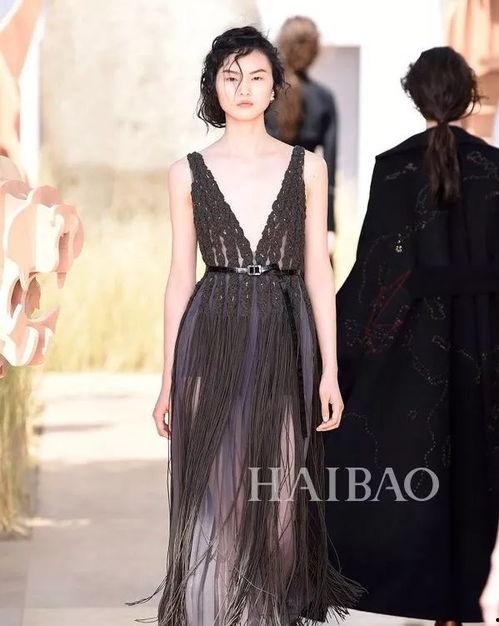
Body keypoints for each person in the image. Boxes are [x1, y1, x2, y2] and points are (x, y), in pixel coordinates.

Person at [125, 25, 365, 626]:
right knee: (217, 495)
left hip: (286, 334)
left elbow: (319, 271)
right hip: (211, 334)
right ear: (214, 86)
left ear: (275, 87)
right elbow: (179, 277)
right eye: (231, 77)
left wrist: (331, 371)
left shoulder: (307, 168)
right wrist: (166, 379)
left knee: (280, 501)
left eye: (257, 76)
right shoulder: (186, 172)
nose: (244, 88)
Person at [323, 46, 499, 626]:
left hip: (418, 344)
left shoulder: (394, 167)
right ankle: (459, 604)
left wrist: (337, 352)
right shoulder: (494, 168)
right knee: (478, 471)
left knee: (420, 473)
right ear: (469, 97)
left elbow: (376, 270)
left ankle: (431, 599)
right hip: (485, 340)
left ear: (415, 96)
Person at [264, 16, 338, 264]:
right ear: (314, 51)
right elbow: (330, 169)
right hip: (309, 209)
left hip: (263, 207)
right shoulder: (324, 98)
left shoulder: (265, 96)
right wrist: (330, 227)